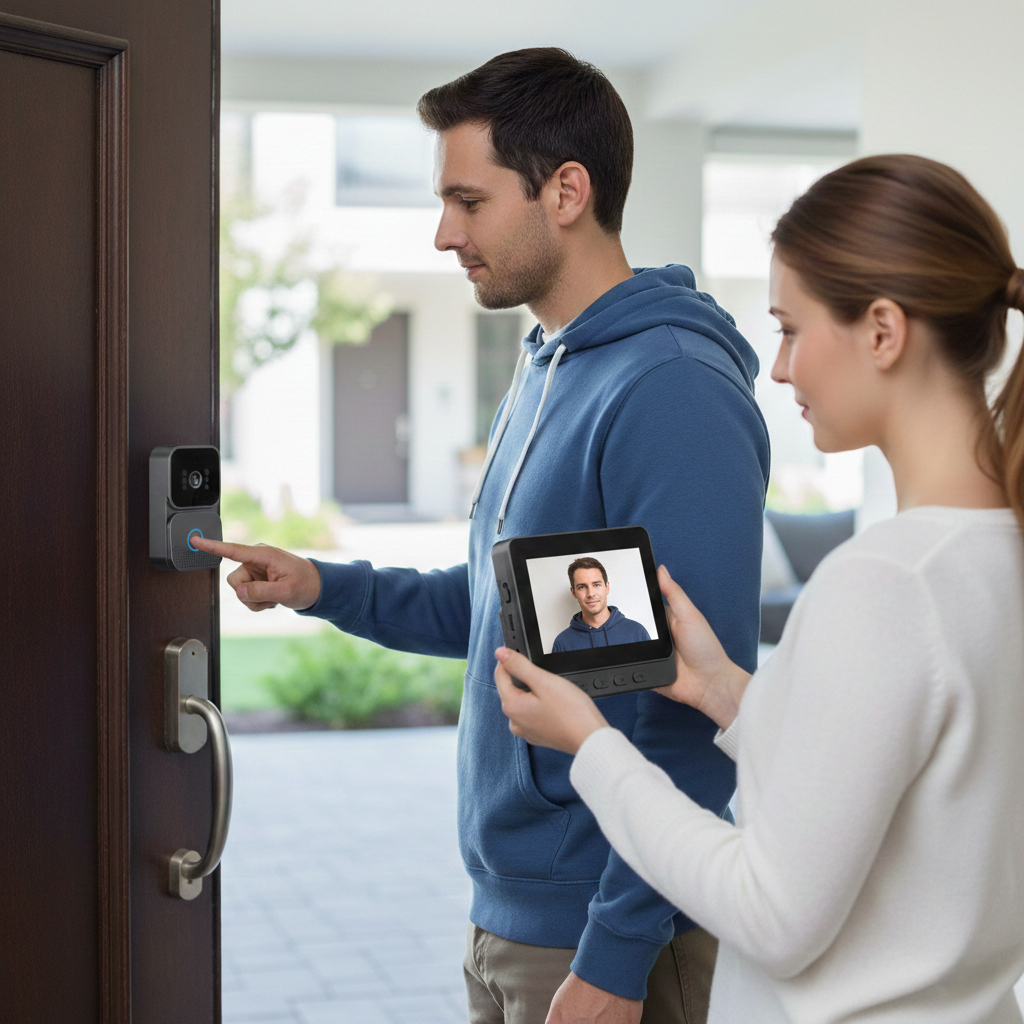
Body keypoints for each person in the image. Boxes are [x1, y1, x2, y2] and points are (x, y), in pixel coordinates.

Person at [194, 47, 769, 1024]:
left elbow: (692, 705)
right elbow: (511, 612)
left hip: (606, 931)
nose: (442, 234)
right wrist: (319, 585)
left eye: (468, 202)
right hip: (512, 917)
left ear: (566, 192)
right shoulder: (547, 365)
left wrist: (617, 955)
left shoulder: (670, 389)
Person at [495, 154, 1024, 1023]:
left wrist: (590, 745)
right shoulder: (994, 557)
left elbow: (773, 916)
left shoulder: (887, 582)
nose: (778, 370)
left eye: (789, 329)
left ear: (882, 332)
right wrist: (728, 694)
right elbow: (915, 792)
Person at [551, 557, 650, 652]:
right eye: (582, 587)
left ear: (607, 587)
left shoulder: (637, 632)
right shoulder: (562, 643)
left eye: (596, 585)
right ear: (573, 593)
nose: (591, 594)